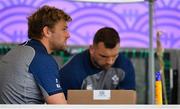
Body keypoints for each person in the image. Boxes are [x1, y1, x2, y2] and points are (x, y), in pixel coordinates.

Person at [0, 5, 72, 104]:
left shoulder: (16, 51)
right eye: (64, 29)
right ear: (47, 32)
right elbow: (60, 106)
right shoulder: (41, 59)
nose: (68, 35)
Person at [60, 27, 136, 98]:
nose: (110, 62)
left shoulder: (125, 65)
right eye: (104, 56)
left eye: (114, 56)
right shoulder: (71, 72)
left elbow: (128, 99)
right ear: (92, 49)